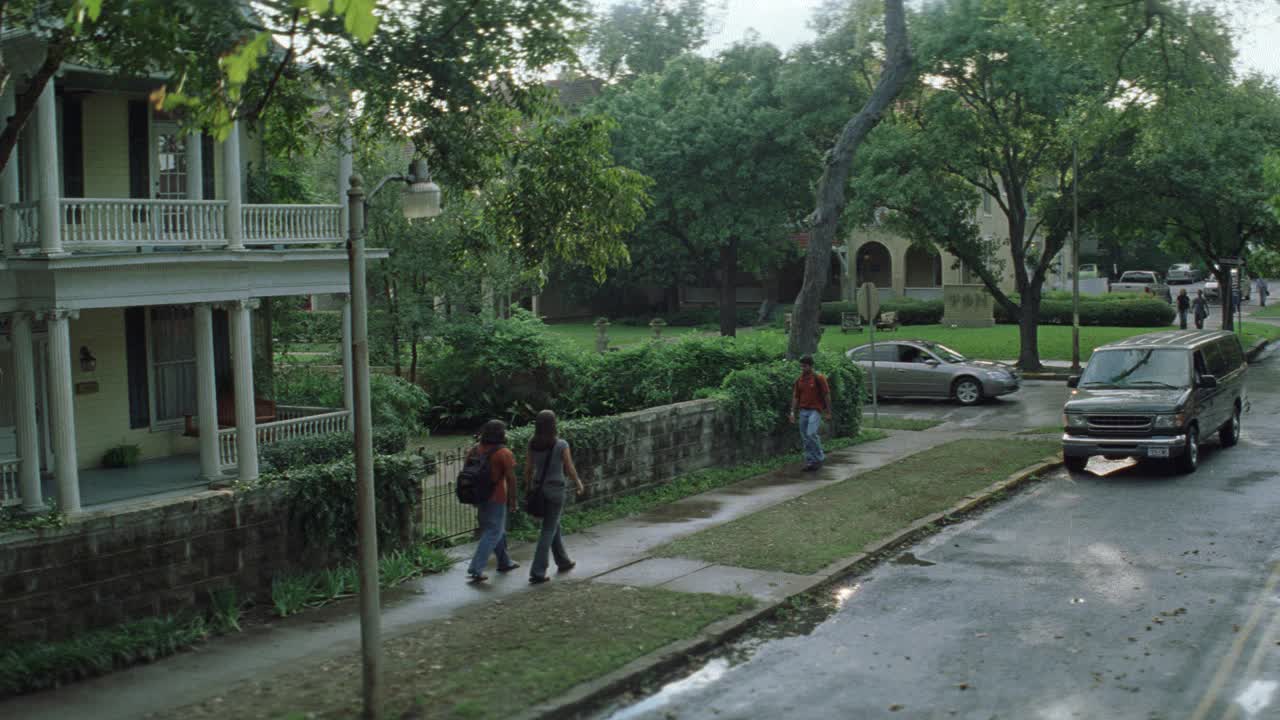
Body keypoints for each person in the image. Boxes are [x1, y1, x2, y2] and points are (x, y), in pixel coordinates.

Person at [524, 410, 586, 584]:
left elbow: (528, 469)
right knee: (548, 529)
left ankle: (563, 561)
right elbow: (569, 467)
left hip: (538, 489)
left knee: (553, 524)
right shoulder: (561, 444)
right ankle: (537, 571)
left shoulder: (532, 443)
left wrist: (529, 487)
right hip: (556, 491)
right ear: (554, 425)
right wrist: (579, 483)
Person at [465, 419, 519, 582]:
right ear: (501, 434)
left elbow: (467, 471)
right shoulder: (504, 453)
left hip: (479, 495)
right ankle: (476, 568)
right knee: (493, 531)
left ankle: (504, 561)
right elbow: (511, 479)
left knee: (496, 529)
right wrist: (513, 500)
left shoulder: (475, 449)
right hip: (497, 496)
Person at [789, 354, 832, 472]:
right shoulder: (799, 380)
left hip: (815, 410)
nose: (803, 368)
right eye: (801, 366)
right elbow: (796, 397)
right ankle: (810, 461)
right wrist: (792, 412)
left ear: (811, 366)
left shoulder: (819, 378)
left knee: (811, 434)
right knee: (805, 438)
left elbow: (826, 395)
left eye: (805, 366)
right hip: (803, 411)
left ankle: (819, 457)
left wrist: (828, 411)